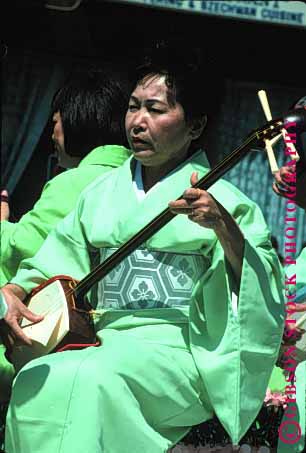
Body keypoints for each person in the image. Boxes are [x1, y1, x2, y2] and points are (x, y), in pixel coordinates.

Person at [2, 43, 284, 453]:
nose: (137, 121)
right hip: (101, 339)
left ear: (195, 125)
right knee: (39, 377)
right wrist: (14, 291)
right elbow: (54, 261)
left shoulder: (228, 201)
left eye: (156, 110)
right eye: (133, 107)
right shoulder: (100, 193)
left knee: (87, 379)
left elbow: (262, 291)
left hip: (180, 353)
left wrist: (224, 228)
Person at [0, 66, 131, 402]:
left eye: (55, 122)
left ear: (77, 120)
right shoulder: (132, 178)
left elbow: (24, 247)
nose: (51, 135)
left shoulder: (76, 181)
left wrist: (1, 222)